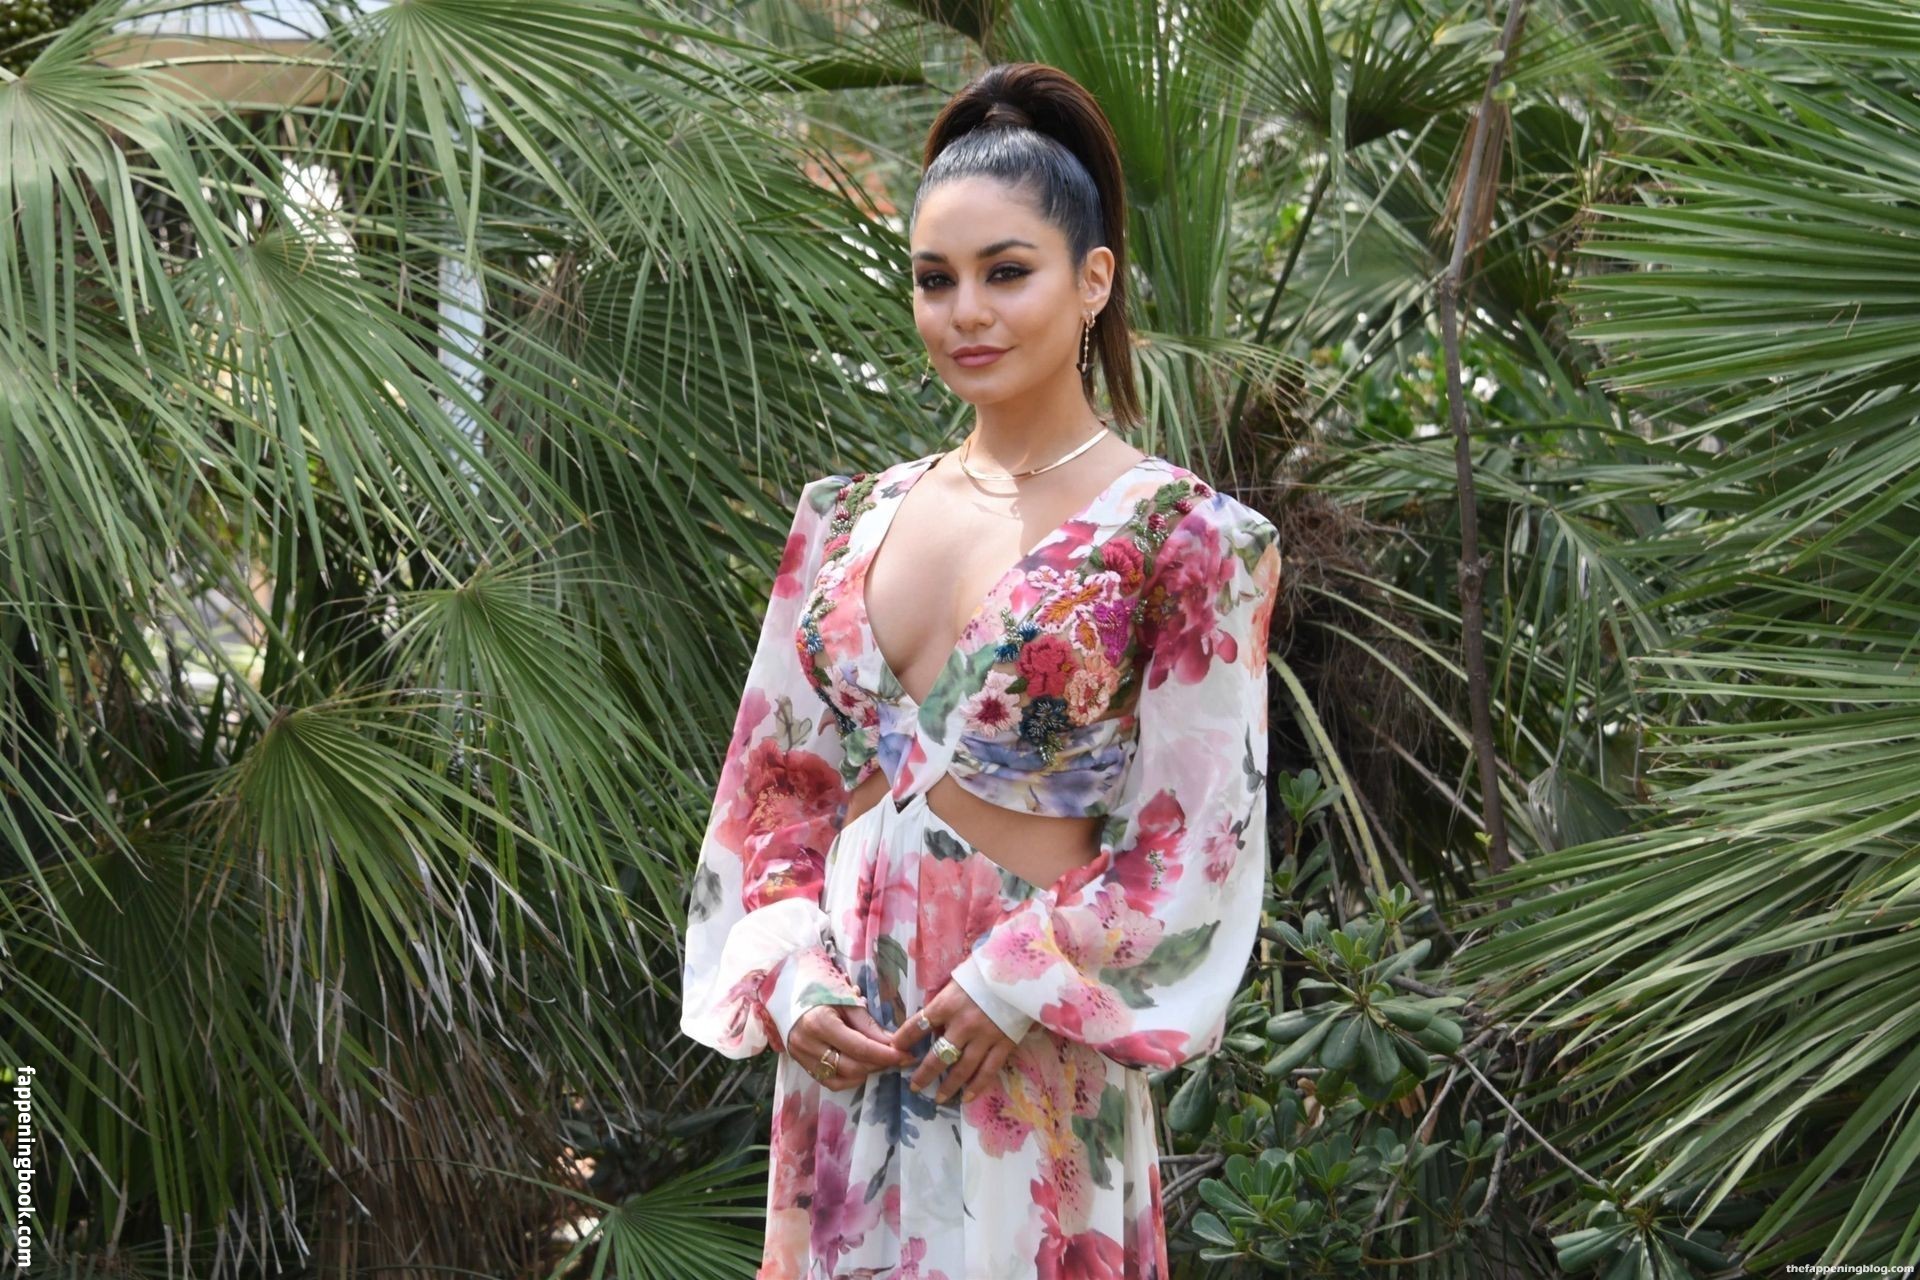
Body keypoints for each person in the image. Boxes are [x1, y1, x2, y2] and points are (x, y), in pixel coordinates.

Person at [678, 59, 1282, 1280]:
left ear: (1093, 279)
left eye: (1007, 272)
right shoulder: (846, 520)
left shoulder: (1183, 535)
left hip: (1032, 1049)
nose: (966, 311)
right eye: (934, 278)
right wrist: (791, 979)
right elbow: (775, 793)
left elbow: (1199, 836)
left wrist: (1021, 979)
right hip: (849, 1053)